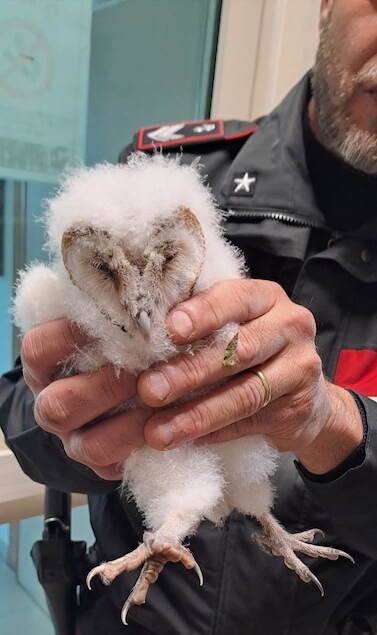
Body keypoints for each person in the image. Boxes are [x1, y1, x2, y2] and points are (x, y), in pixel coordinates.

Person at [2, 0, 377, 632]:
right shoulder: (160, 188)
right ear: (327, 4)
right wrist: (76, 425)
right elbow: (23, 411)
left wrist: (339, 425)